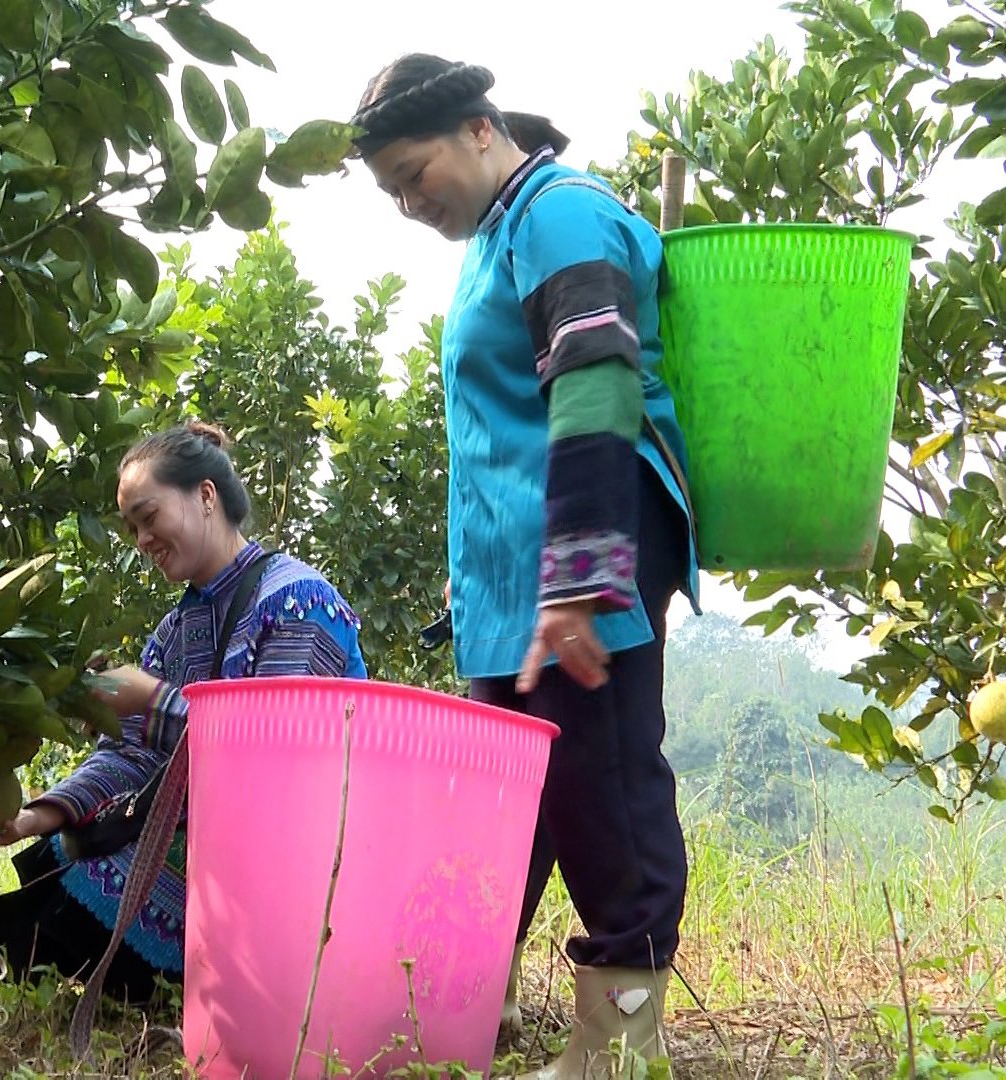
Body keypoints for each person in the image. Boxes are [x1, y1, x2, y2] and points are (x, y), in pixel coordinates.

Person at [348, 55, 701, 1077]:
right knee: (500, 801)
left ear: (476, 129)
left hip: (588, 563)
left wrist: (581, 583)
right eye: (391, 194)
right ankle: (465, 1003)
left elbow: (595, 388)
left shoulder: (560, 214)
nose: (411, 204)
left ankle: (622, 1041)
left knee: (604, 789)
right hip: (512, 584)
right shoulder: (495, 236)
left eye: (414, 175)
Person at [0, 421, 368, 1002]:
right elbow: (132, 754)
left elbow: (279, 767)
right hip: (215, 838)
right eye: (132, 526)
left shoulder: (297, 602)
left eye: (148, 515)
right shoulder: (174, 633)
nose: (141, 538)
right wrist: (35, 816)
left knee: (98, 889)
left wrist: (153, 699)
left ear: (206, 496)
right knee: (58, 855)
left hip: (302, 857)